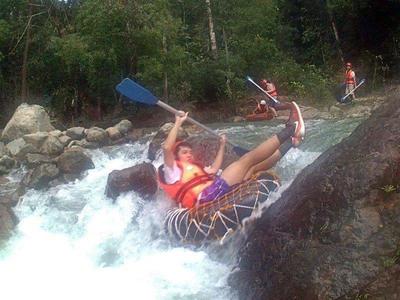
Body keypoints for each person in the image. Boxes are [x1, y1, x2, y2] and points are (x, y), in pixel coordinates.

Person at [158, 102, 305, 209]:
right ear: (176, 157)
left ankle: (291, 143)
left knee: (255, 167)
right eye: (184, 152)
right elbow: (166, 147)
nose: (189, 154)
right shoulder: (172, 171)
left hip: (214, 192)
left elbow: (214, 169)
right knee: (248, 159)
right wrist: (178, 122)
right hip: (209, 195)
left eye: (190, 152)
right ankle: (292, 128)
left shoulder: (194, 168)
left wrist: (222, 145)